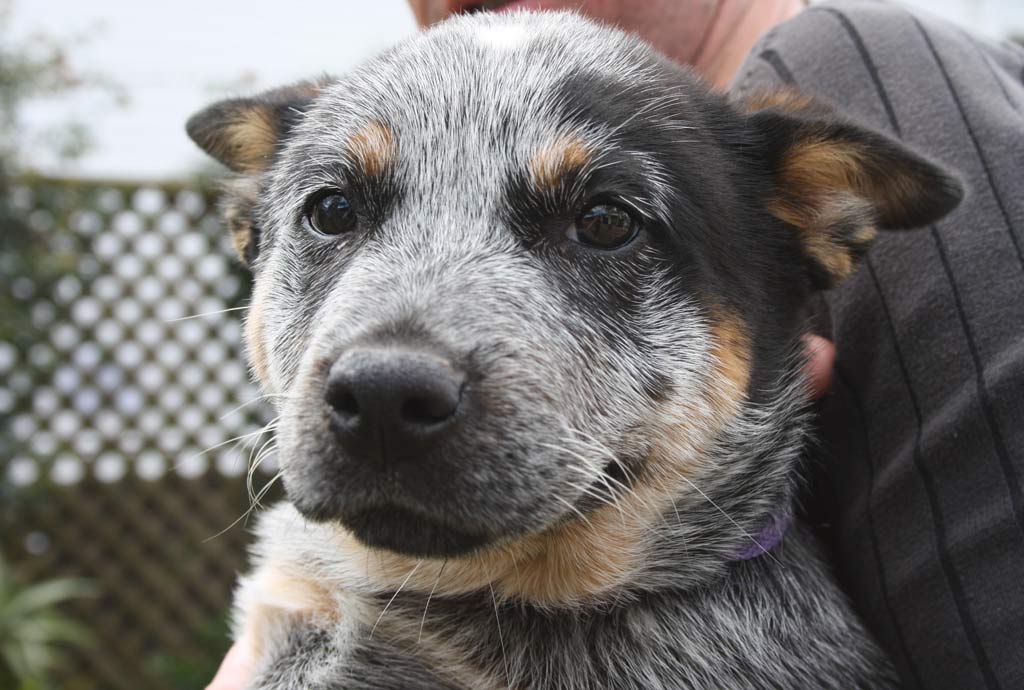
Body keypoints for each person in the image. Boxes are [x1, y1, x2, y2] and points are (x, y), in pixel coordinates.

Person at [208, 1, 1024, 688]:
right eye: (331, 213)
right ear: (256, 235)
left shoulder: (868, 58)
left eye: (604, 225)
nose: (390, 372)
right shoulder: (301, 578)